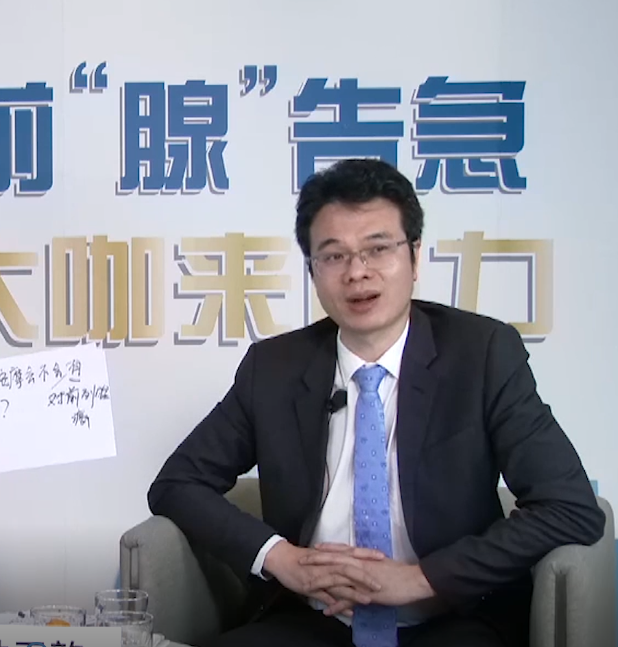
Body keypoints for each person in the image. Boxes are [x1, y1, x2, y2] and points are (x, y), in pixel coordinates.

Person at [147, 158, 604, 647]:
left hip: (453, 616)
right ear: (312, 271)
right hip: (312, 619)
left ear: (415, 257)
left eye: (378, 248)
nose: (357, 272)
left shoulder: (483, 354)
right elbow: (177, 483)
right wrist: (282, 558)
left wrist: (421, 578)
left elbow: (570, 506)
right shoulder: (274, 369)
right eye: (334, 256)